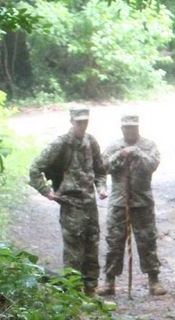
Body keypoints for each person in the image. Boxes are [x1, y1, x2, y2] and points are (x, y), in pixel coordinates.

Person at [29, 105, 108, 294]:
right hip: (71, 204)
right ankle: (73, 294)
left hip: (89, 204)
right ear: (71, 121)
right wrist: (46, 191)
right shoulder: (61, 144)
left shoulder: (91, 142)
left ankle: (91, 290)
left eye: (85, 122)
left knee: (92, 245)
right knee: (73, 250)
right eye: (79, 122)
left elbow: (100, 170)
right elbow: (35, 169)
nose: (82, 125)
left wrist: (101, 188)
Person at [98, 114, 165, 296]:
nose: (130, 130)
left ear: (138, 127)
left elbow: (152, 165)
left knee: (147, 241)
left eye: (133, 127)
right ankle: (109, 280)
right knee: (114, 242)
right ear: (122, 129)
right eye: (127, 127)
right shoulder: (114, 147)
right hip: (119, 202)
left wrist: (136, 152)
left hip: (142, 202)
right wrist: (121, 155)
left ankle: (154, 279)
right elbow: (103, 167)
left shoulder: (148, 145)